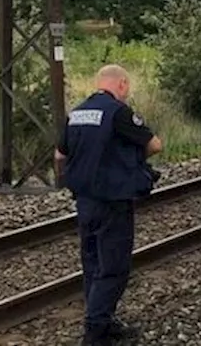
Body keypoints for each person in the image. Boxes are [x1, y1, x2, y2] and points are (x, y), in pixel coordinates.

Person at [55, 65, 163, 345]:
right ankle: (96, 329)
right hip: (113, 200)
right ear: (122, 84)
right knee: (113, 266)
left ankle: (102, 319)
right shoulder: (118, 112)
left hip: (85, 201)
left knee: (92, 263)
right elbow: (154, 145)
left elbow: (59, 153)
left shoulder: (76, 113)